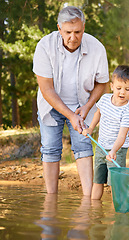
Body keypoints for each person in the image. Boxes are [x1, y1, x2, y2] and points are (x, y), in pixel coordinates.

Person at [33, 6, 109, 195]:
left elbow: (102, 83)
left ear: (84, 27)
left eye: (78, 32)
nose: (73, 38)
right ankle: (51, 200)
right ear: (59, 28)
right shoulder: (44, 46)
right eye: (68, 32)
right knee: (50, 149)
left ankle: (88, 200)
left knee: (83, 147)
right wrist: (69, 115)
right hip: (51, 105)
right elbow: (46, 88)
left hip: (81, 105)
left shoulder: (97, 47)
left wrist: (87, 107)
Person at [82, 65, 129, 200]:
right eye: (119, 88)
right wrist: (90, 128)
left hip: (117, 150)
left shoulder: (127, 111)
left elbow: (122, 136)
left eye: (127, 89)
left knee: (115, 183)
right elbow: (98, 114)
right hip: (101, 147)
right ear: (112, 86)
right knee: (98, 180)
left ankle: (115, 213)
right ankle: (94, 209)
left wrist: (113, 151)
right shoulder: (105, 99)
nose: (122, 92)